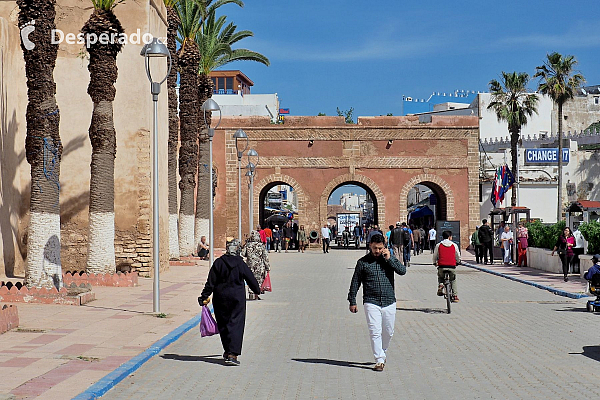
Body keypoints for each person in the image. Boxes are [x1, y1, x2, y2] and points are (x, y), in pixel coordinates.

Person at [347, 234, 406, 372]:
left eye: (380, 248)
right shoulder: (363, 262)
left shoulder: (388, 260)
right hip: (371, 301)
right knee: (375, 331)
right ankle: (379, 360)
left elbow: (402, 271)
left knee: (388, 332)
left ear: (384, 247)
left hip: (389, 301)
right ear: (370, 246)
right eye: (375, 248)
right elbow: (355, 282)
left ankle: (382, 351)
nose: (377, 251)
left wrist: (390, 259)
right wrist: (352, 300)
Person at [198, 237, 260, 365]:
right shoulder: (240, 263)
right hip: (237, 299)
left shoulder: (219, 263)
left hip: (220, 298)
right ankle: (232, 354)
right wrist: (256, 290)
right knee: (236, 325)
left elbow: (211, 282)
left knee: (224, 324)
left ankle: (227, 350)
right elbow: (251, 279)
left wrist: (204, 296)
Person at [240, 231, 271, 299]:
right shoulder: (261, 245)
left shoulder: (248, 245)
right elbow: (265, 256)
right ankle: (256, 294)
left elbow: (242, 254)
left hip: (250, 265)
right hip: (259, 266)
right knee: (258, 280)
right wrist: (268, 267)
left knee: (250, 279)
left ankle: (251, 293)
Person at [433, 230, 461, 302]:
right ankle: (455, 296)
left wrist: (434, 262)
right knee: (453, 279)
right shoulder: (454, 245)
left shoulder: (438, 245)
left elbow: (435, 255)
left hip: (441, 266)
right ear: (449, 237)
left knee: (440, 277)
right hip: (452, 266)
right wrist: (458, 261)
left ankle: (441, 285)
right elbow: (457, 255)